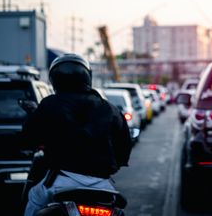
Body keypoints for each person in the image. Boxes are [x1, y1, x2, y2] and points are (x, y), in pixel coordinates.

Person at [22, 54, 132, 216]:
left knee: (34, 198)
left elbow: (28, 138)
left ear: (55, 79)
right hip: (102, 184)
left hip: (61, 180)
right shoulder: (110, 109)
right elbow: (124, 149)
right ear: (87, 77)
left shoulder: (49, 104)